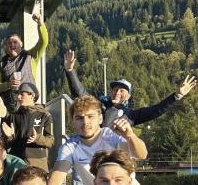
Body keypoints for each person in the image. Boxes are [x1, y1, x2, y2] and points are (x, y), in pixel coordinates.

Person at [63, 49, 196, 127]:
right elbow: (80, 93)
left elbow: (157, 109)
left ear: (129, 96)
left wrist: (177, 96)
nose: (117, 93)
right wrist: (70, 70)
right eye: (115, 89)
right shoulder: (98, 105)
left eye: (122, 90)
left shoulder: (132, 115)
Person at [48, 95, 147, 185]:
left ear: (100, 119)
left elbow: (142, 155)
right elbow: (57, 175)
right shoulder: (69, 147)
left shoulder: (112, 136)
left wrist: (130, 136)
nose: (85, 122)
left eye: (90, 116)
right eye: (79, 118)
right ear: (73, 122)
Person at [0, 13, 48, 112]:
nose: (12, 45)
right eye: (9, 43)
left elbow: (44, 42)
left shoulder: (31, 56)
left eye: (15, 42)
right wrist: (8, 85)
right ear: (6, 47)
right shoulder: (1, 64)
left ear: (21, 44)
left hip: (29, 106)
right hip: (10, 108)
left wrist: (40, 23)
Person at [0, 82, 54, 171]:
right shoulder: (13, 116)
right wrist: (8, 137)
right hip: (16, 161)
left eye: (22, 94)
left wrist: (37, 138)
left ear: (32, 96)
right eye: (18, 94)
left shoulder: (44, 115)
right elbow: (5, 145)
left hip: (37, 162)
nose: (18, 97)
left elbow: (50, 141)